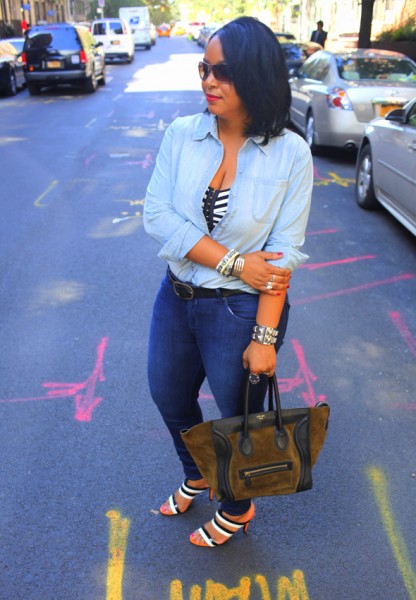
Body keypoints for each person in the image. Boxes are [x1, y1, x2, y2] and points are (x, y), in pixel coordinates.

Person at [144, 16, 313, 548]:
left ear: (258, 77)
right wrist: (239, 263)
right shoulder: (181, 135)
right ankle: (197, 473)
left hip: (241, 313)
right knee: (169, 396)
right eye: (205, 69)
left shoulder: (291, 153)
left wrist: (265, 340)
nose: (208, 82)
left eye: (224, 72)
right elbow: (159, 217)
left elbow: (283, 255)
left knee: (239, 417)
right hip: (178, 296)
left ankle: (238, 506)